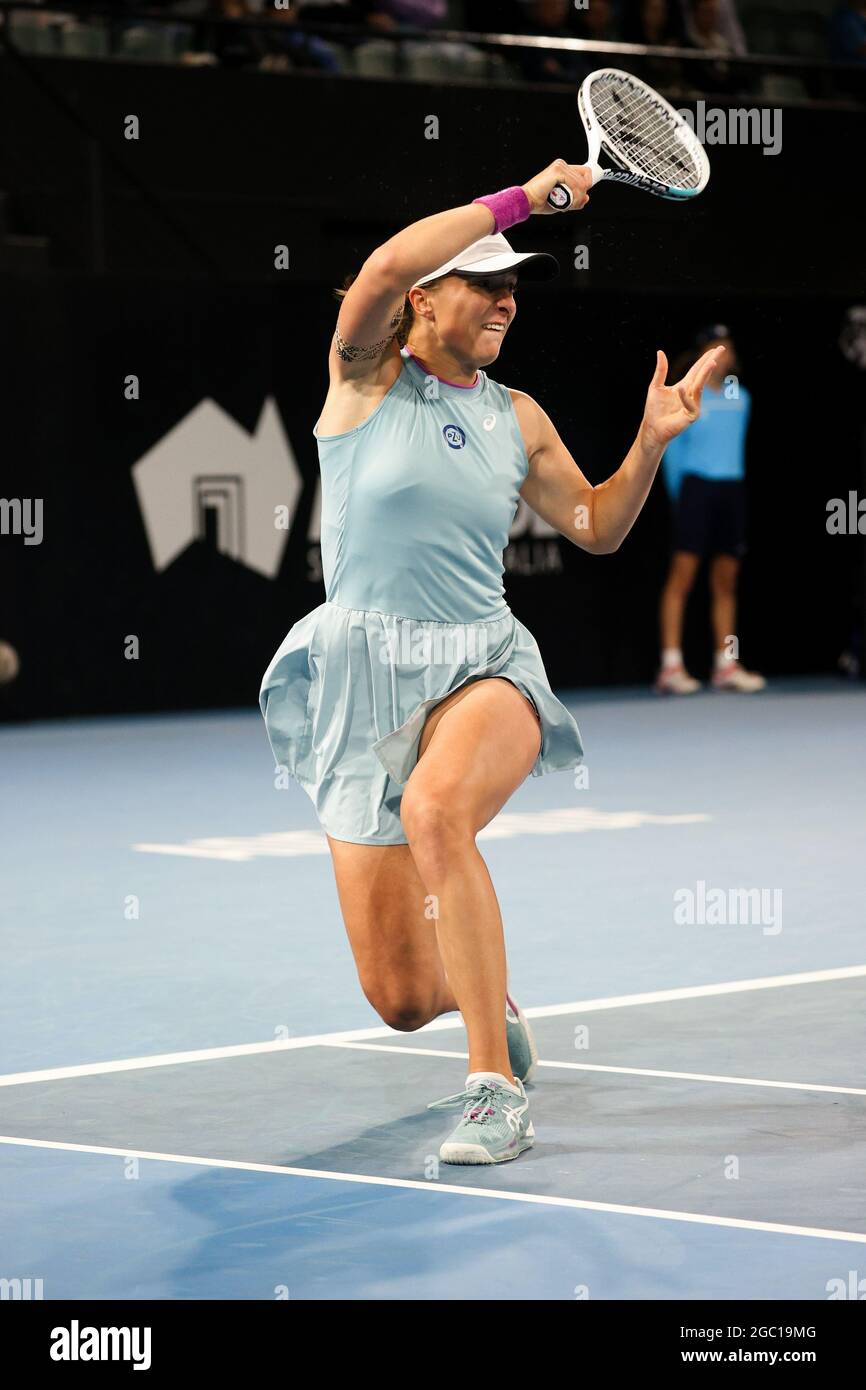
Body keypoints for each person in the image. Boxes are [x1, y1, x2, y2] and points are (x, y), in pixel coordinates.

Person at [260, 163, 722, 1164]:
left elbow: (595, 525)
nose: (508, 300)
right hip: (360, 676)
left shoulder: (519, 417)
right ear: (423, 301)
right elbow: (381, 262)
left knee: (435, 810)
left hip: (482, 661)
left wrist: (646, 444)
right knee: (399, 996)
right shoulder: (361, 378)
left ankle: (492, 1089)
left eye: (517, 286)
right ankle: (486, 997)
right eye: (488, 282)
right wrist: (522, 197)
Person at [656, 325, 766, 694]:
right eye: (717, 350)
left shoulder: (742, 398)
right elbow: (671, 455)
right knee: (682, 580)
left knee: (726, 582)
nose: (726, 356)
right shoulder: (687, 398)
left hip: (731, 491)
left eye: (729, 349)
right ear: (704, 356)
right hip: (695, 491)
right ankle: (671, 667)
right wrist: (681, 499)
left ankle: (725, 664)